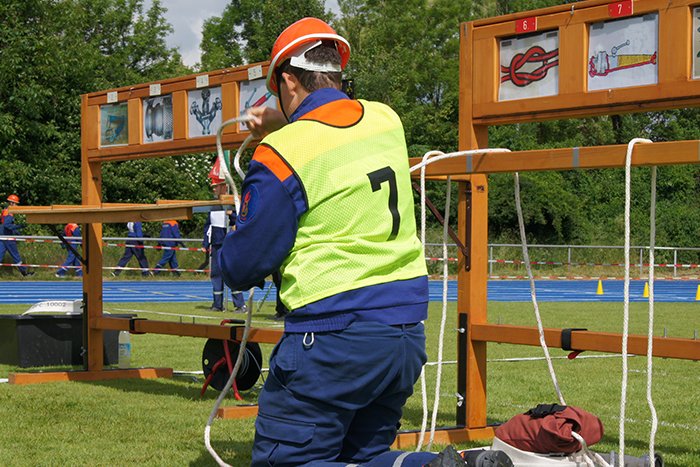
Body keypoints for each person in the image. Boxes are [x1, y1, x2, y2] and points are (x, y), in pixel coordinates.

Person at [217, 18, 468, 467]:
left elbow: (243, 265)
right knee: (365, 457)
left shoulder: (281, 151)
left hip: (333, 338)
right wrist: (286, 117)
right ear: (334, 69)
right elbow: (335, 127)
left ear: (288, 80)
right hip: (404, 333)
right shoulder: (386, 119)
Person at [202, 164, 246, 312]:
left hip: (229, 244)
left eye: (216, 186)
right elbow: (208, 226)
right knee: (215, 274)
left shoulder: (234, 203)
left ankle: (240, 304)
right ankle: (217, 304)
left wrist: (232, 215)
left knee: (231, 273)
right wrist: (205, 244)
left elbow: (242, 221)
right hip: (215, 244)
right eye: (213, 187)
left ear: (224, 186)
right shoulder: (213, 205)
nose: (214, 189)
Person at [0, 194, 35, 277]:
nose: (17, 205)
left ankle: (24, 272)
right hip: (8, 237)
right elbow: (7, 225)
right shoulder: (9, 213)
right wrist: (18, 227)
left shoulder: (5, 210)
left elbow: (6, 225)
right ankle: (24, 273)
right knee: (15, 254)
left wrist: (15, 231)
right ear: (11, 203)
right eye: (16, 204)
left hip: (3, 235)